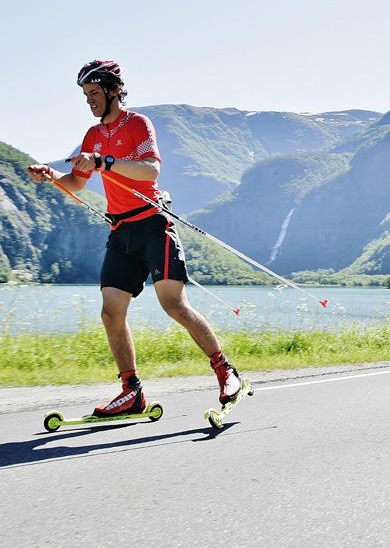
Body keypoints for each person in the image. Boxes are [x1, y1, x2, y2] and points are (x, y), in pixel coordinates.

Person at [27, 59, 242, 416]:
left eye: (94, 93)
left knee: (173, 304)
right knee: (111, 313)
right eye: (85, 95)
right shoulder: (93, 135)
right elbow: (77, 183)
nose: (89, 100)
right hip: (121, 231)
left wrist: (104, 162)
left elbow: (150, 170)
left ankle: (226, 371)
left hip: (153, 225)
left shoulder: (138, 124)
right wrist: (51, 176)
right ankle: (132, 392)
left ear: (113, 90)